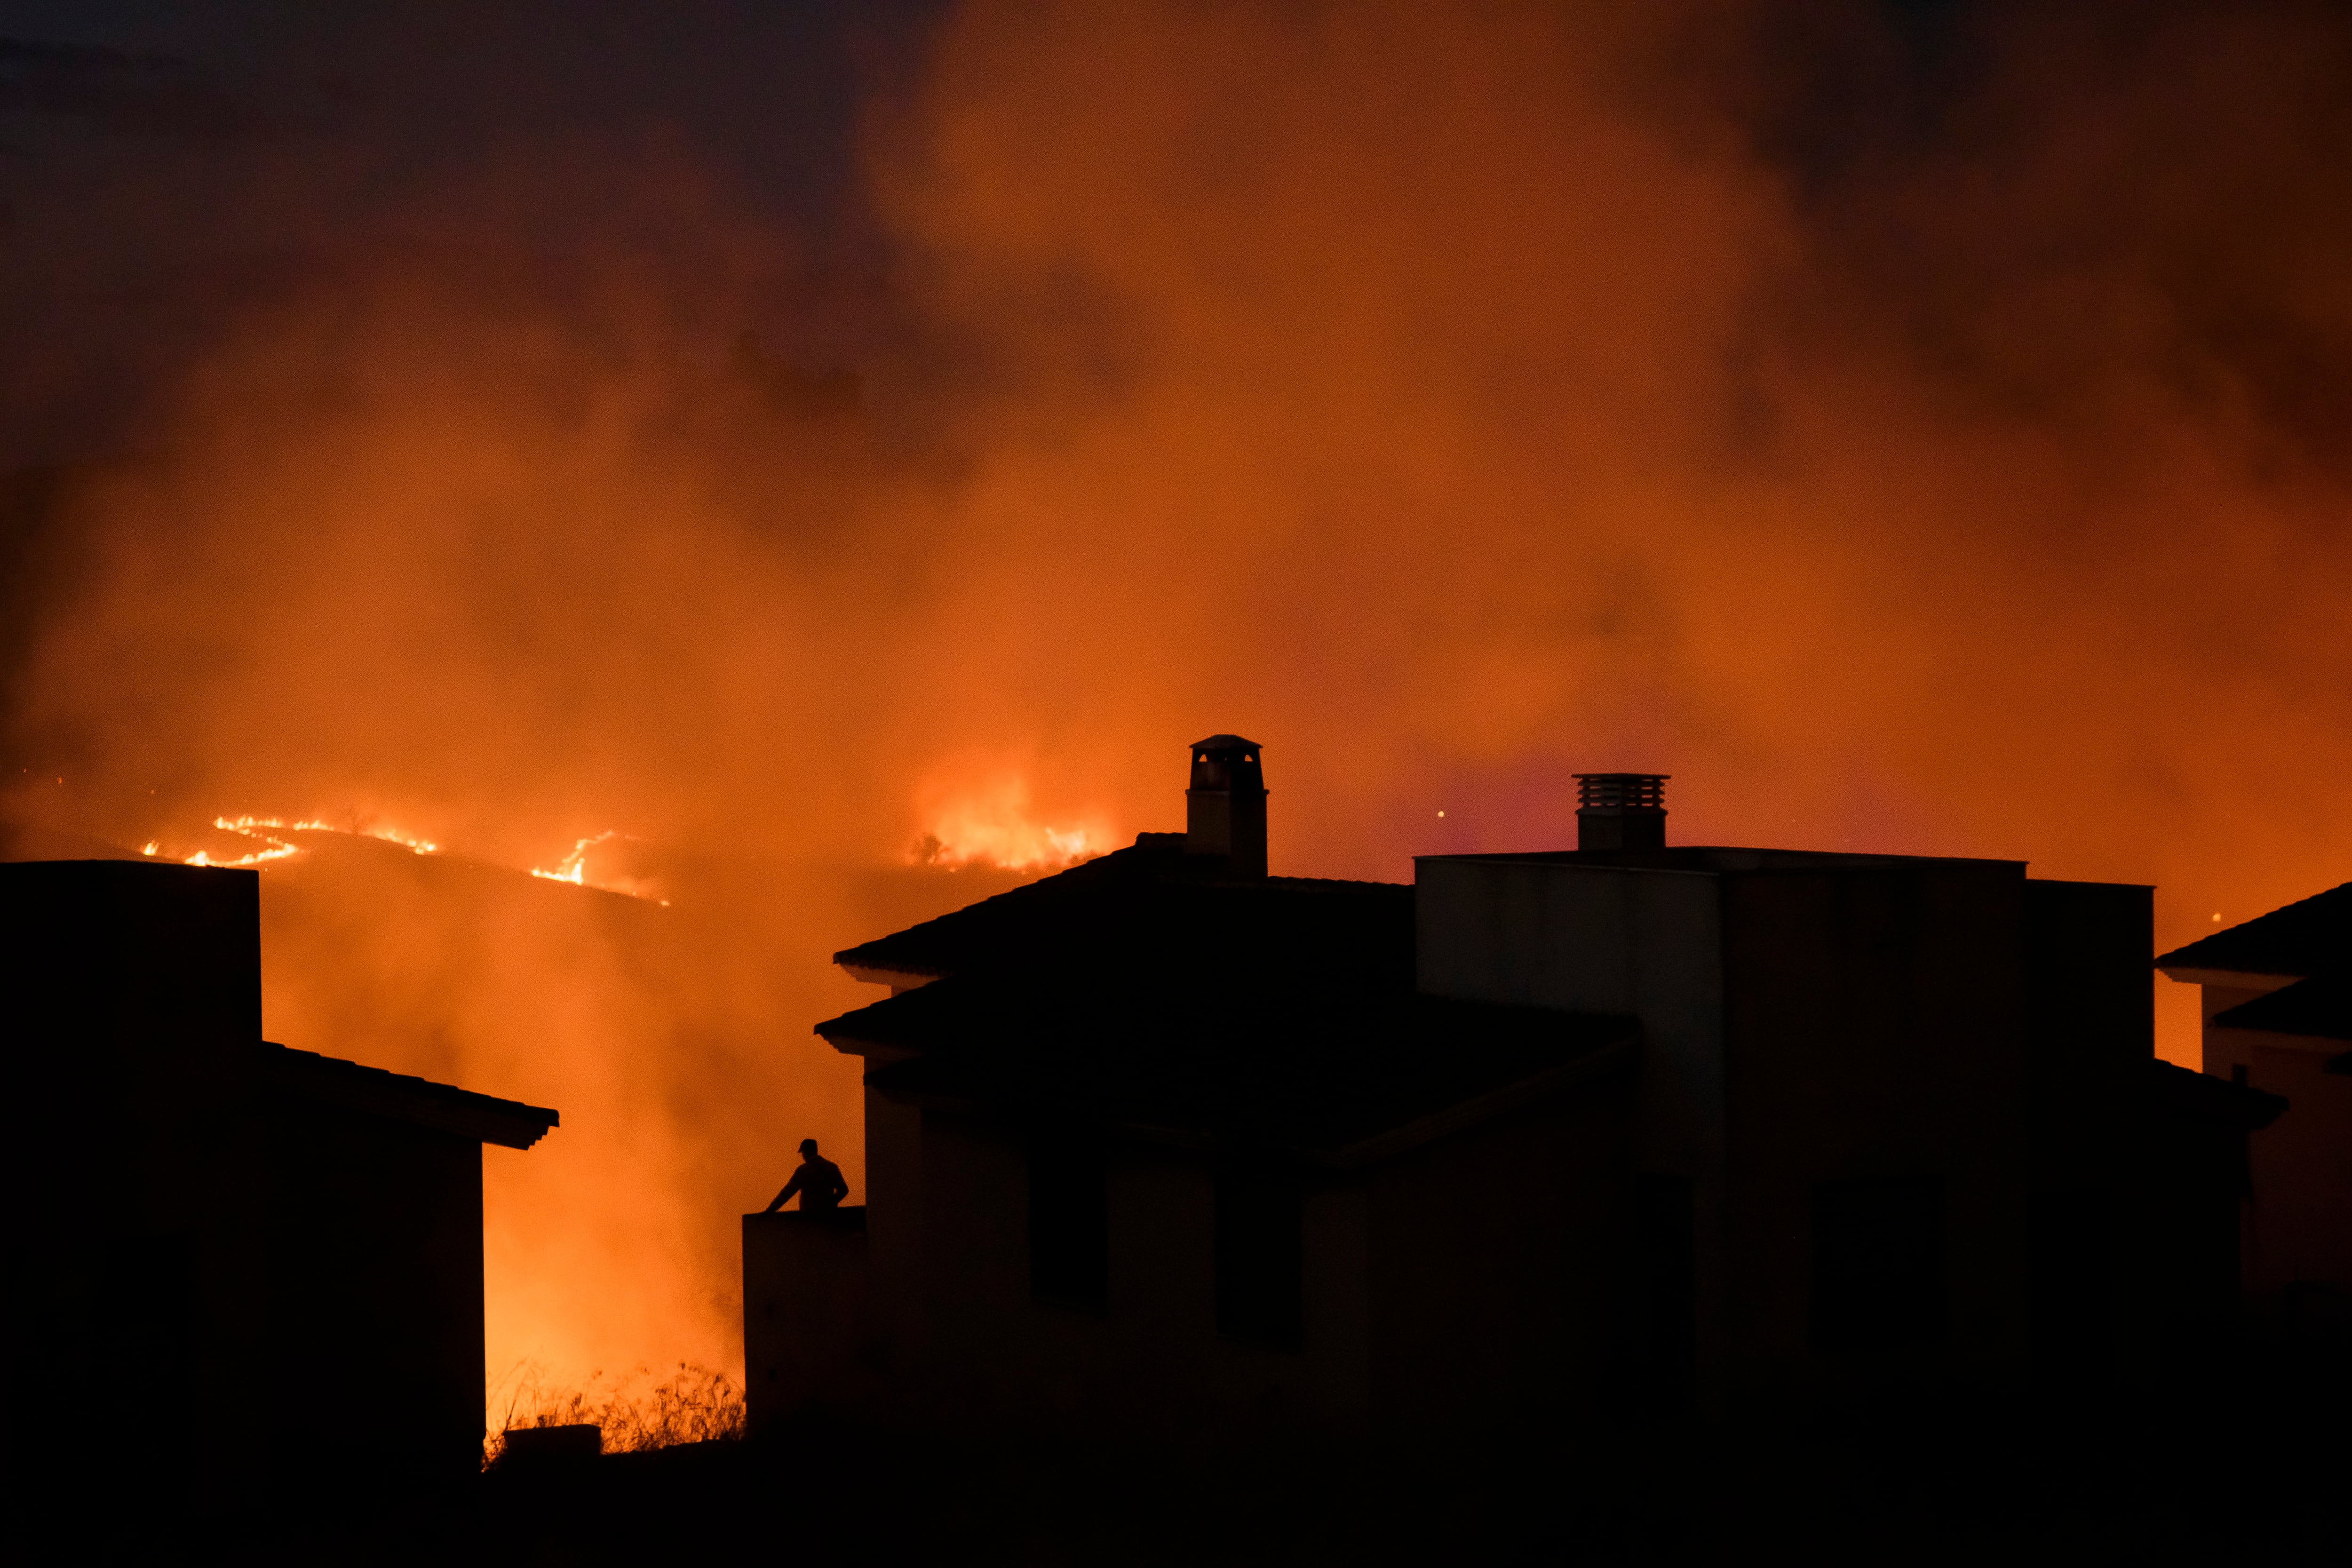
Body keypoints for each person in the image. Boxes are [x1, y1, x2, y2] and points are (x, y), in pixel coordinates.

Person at [763, 1137, 848, 1214]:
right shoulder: (831, 1167)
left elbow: (787, 1193)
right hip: (829, 1217)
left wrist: (769, 1211)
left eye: (802, 1152)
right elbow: (844, 1190)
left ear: (805, 1151)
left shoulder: (803, 1170)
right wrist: (830, 1204)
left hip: (809, 1218)